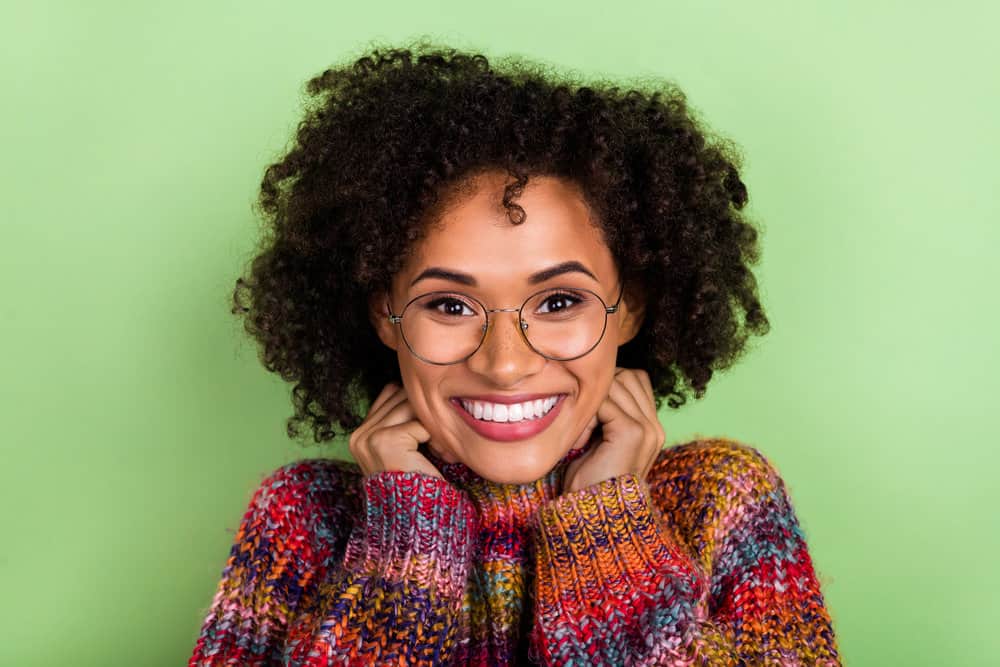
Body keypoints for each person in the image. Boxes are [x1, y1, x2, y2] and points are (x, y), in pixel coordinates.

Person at [187, 41, 842, 666]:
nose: (504, 362)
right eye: (449, 304)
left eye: (559, 302)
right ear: (385, 314)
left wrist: (609, 533)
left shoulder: (723, 503)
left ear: (630, 307)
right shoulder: (305, 520)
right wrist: (407, 543)